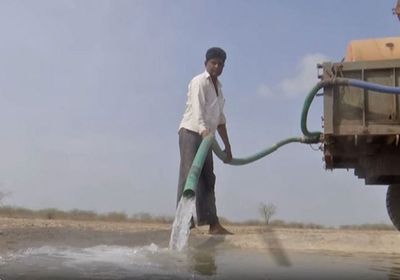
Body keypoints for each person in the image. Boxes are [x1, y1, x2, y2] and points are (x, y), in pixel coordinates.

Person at [177, 47, 233, 235]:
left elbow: (220, 119)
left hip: (208, 137)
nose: (216, 66)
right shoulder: (199, 82)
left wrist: (227, 146)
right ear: (206, 64)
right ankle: (184, 223)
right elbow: (198, 110)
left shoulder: (220, 89)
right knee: (189, 176)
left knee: (209, 178)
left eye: (220, 64)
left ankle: (213, 223)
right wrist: (203, 133)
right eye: (213, 63)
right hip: (192, 132)